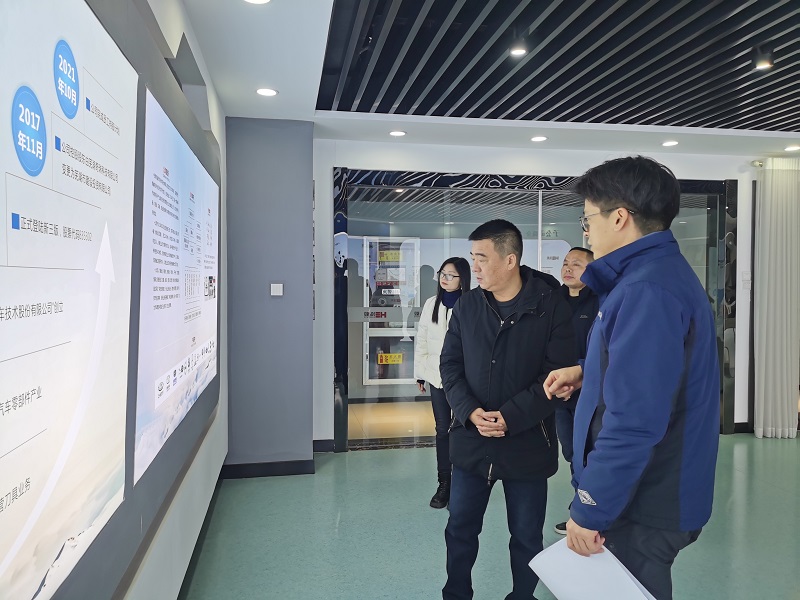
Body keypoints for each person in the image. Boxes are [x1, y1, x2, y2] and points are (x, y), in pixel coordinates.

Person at [544, 156, 720, 600]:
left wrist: (591, 506)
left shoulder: (645, 289)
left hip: (643, 500)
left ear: (619, 217)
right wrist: (588, 372)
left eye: (588, 220)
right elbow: (655, 371)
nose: (587, 232)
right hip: (644, 491)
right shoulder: (652, 276)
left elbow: (635, 420)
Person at [440, 219, 575, 600]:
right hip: (471, 440)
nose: (475, 267)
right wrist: (469, 411)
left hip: (527, 442)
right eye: (472, 258)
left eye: (482, 258)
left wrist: (510, 417)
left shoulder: (551, 306)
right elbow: (450, 365)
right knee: (460, 530)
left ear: (510, 259)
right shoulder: (468, 305)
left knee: (527, 536)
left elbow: (556, 375)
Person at [414, 257, 471, 509]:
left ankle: (463, 482)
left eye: (451, 275)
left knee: (463, 428)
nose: (445, 279)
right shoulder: (431, 303)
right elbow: (422, 338)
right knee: (442, 429)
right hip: (436, 376)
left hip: (464, 378)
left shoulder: (472, 303)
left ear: (463, 279)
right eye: (442, 274)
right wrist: (420, 373)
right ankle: (444, 483)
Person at [552, 247, 599, 536]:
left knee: (590, 452)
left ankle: (588, 510)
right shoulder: (552, 301)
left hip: (591, 392)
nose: (568, 268)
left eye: (577, 264)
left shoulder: (600, 301)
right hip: (561, 393)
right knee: (571, 451)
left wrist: (579, 377)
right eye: (565, 263)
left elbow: (602, 351)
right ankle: (580, 504)